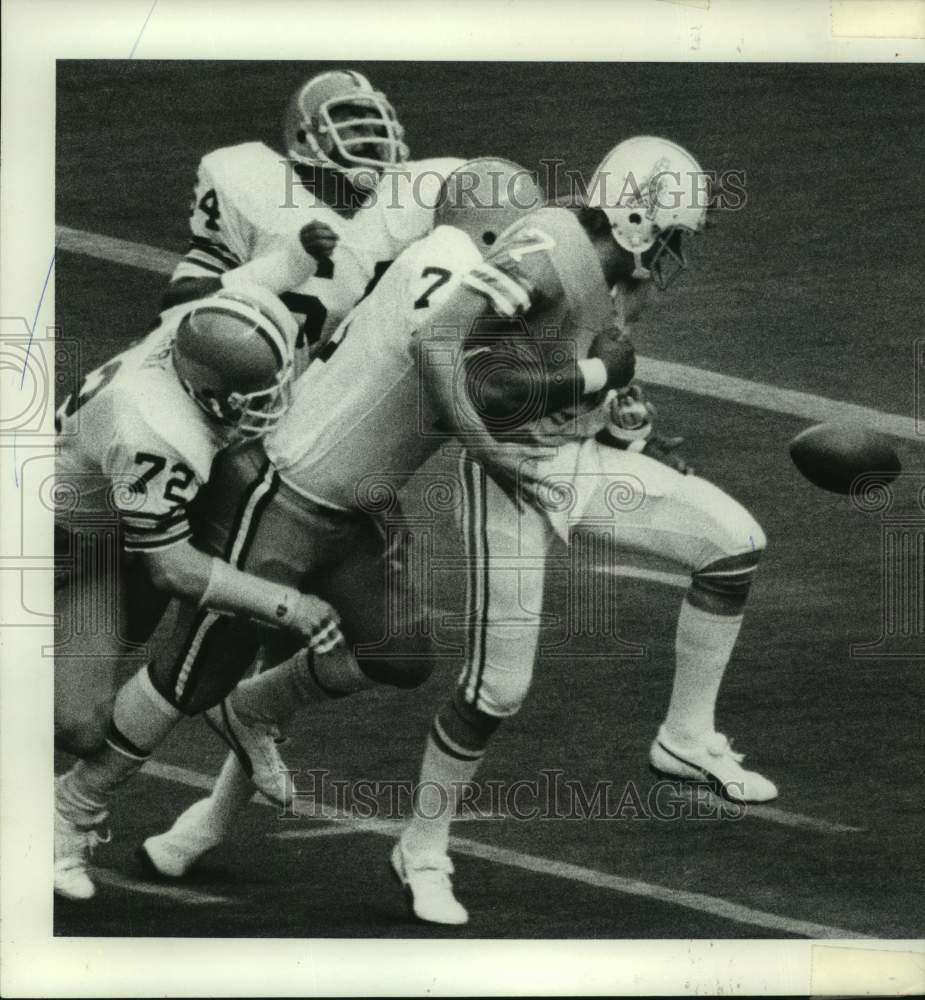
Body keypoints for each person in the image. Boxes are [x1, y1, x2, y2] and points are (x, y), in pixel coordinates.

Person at [388, 135, 777, 925]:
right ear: (635, 216)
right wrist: (487, 445)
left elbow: (577, 368)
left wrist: (616, 416)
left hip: (571, 458)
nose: (677, 253)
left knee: (732, 542)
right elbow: (444, 349)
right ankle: (421, 847)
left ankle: (684, 735)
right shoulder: (549, 251)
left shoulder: (618, 272)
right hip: (513, 475)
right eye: (673, 233)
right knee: (498, 688)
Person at [138, 158, 549, 881]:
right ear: (490, 227)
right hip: (288, 488)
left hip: (359, 500)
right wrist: (588, 374)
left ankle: (235, 746)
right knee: (192, 677)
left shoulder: (438, 258)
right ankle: (70, 812)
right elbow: (459, 370)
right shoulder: (448, 264)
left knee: (393, 656)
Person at [53, 246, 343, 900]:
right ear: (206, 388)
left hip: (100, 525)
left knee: (123, 641)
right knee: (77, 724)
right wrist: (285, 605)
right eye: (251, 397)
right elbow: (174, 568)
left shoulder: (197, 325)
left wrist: (302, 251)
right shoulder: (157, 428)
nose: (268, 405)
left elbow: (252, 279)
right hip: (58, 543)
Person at [162, 67, 464, 370]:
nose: (372, 136)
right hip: (256, 380)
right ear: (305, 136)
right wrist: (285, 267)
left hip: (370, 384)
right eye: (355, 124)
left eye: (376, 125)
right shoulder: (250, 182)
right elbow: (178, 305)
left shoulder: (431, 189)